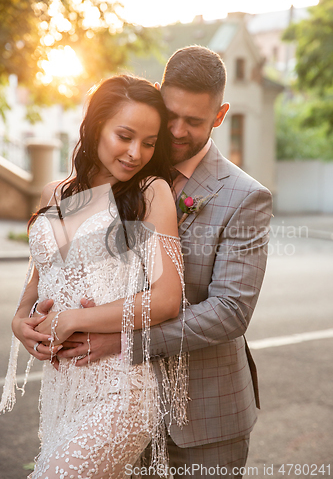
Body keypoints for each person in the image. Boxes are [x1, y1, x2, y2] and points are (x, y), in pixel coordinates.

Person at [11, 46, 272, 478]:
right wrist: (24, 318)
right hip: (97, 390)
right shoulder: (120, 172)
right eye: (170, 114)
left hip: (202, 417)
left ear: (220, 115)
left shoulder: (244, 197)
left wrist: (122, 342)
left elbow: (230, 312)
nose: (176, 129)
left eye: (194, 120)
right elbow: (62, 263)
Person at [0, 75, 189, 478]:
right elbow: (39, 275)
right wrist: (20, 320)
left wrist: (73, 319)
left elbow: (167, 297)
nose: (136, 153)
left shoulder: (151, 191)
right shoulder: (53, 192)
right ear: (95, 126)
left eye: (149, 142)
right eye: (124, 136)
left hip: (120, 389)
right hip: (63, 387)